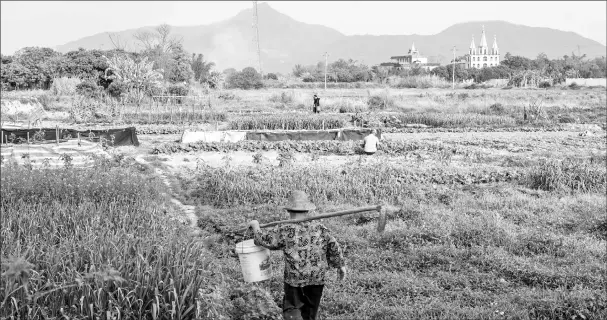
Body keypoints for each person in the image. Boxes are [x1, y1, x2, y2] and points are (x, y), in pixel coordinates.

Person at [248, 190, 347, 320]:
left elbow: (263, 240)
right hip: (316, 278)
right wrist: (341, 266)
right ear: (307, 211)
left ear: (289, 211)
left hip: (294, 280)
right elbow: (333, 246)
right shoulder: (320, 228)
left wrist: (255, 226)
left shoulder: (284, 229)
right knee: (311, 311)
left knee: (293, 308)